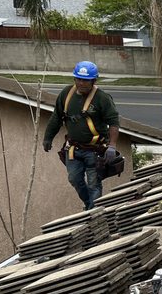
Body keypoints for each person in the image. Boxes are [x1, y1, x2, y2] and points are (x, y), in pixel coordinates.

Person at [43, 61, 121, 210]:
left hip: (95, 150)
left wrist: (112, 146)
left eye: (85, 80)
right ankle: (89, 206)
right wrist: (48, 138)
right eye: (78, 79)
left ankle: (93, 213)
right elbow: (56, 117)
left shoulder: (102, 98)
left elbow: (114, 123)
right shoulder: (66, 94)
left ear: (93, 81)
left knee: (93, 183)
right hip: (73, 149)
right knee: (74, 179)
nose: (81, 83)